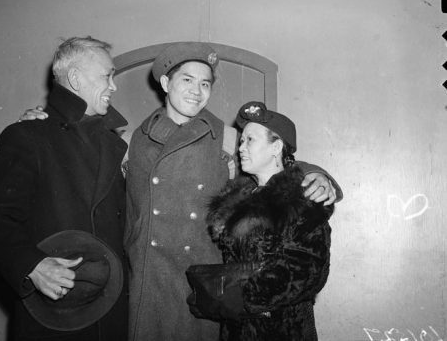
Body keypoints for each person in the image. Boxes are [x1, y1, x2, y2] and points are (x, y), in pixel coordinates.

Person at [123, 42, 342, 341]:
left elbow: (271, 166)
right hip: (150, 281)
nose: (196, 91)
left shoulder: (226, 137)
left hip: (204, 281)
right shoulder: (133, 140)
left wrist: (316, 174)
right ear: (165, 83)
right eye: (187, 80)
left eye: (205, 84)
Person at [0, 36, 129, 341]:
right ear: (75, 78)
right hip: (55, 316)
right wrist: (31, 265)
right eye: (106, 75)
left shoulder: (113, 142)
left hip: (110, 313)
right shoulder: (26, 135)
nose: (113, 85)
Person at [188, 101, 334, 340]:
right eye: (241, 141)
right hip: (235, 330)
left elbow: (307, 272)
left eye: (250, 140)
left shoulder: (303, 199)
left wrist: (239, 298)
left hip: (282, 329)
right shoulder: (242, 198)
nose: (241, 148)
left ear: (276, 147)